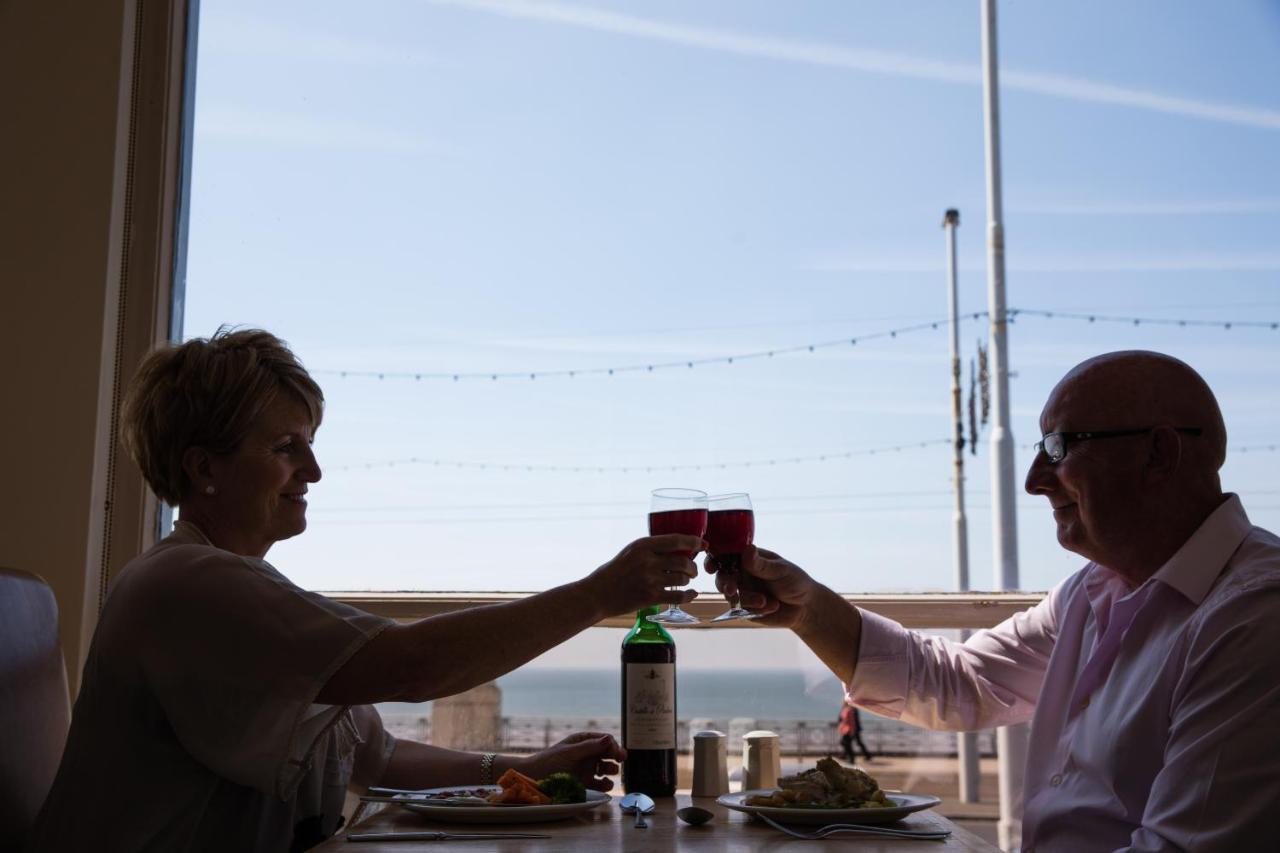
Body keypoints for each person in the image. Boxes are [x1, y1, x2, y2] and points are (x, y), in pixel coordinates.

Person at [28, 328, 703, 853]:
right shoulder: (189, 587)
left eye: (310, 443)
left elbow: (375, 754)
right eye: (287, 446)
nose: (314, 469)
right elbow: (415, 664)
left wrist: (519, 769)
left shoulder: (219, 584)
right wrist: (601, 592)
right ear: (204, 467)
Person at [710, 351, 1280, 852]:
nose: (1035, 480)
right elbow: (960, 683)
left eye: (1058, 448)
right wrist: (809, 609)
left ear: (1159, 452)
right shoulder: (1093, 591)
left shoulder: (1254, 618)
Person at [837, 699, 873, 764]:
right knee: (847, 743)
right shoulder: (848, 709)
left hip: (851, 729)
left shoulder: (851, 709)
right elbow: (842, 719)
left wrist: (852, 730)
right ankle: (847, 756)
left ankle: (852, 758)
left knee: (848, 743)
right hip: (849, 729)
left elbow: (852, 721)